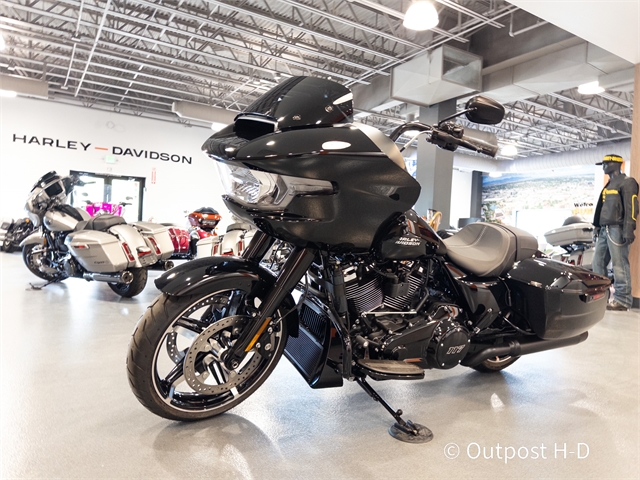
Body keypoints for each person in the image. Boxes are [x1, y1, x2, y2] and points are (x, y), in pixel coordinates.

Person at [592, 154, 639, 311]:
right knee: (597, 263)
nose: (604, 166)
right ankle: (601, 297)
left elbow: (631, 208)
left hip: (617, 229)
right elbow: (601, 208)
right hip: (604, 230)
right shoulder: (609, 184)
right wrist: (597, 226)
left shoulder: (627, 183)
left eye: (607, 163)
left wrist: (628, 230)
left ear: (617, 164)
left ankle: (623, 300)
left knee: (619, 265)